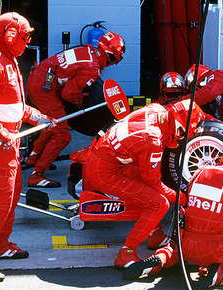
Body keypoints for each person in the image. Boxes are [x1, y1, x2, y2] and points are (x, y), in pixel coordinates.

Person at [123, 128, 223, 289]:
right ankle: (219, 276)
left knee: (174, 251)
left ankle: (161, 259)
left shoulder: (202, 171)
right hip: (211, 247)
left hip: (182, 242)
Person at [0, 12, 56, 281]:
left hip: (8, 139)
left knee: (11, 196)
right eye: (25, 36)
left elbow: (12, 106)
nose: (28, 41)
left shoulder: (9, 60)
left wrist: (39, 117)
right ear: (11, 35)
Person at [84, 99, 204, 268]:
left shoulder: (156, 110)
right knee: (159, 204)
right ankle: (126, 253)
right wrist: (179, 198)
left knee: (147, 192)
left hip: (108, 155)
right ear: (179, 127)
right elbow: (153, 181)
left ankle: (155, 235)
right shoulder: (153, 140)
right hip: (104, 171)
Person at [25, 31, 126, 188]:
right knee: (63, 135)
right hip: (45, 89)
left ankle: (33, 158)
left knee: (51, 125)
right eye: (113, 61)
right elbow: (68, 95)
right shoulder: (92, 69)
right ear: (111, 57)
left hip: (38, 79)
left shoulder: (87, 49)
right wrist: (79, 100)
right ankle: (37, 175)